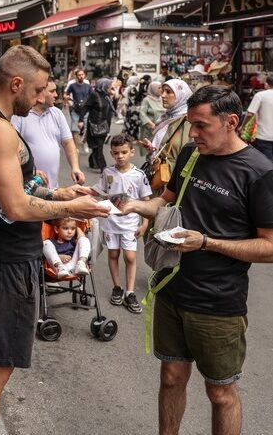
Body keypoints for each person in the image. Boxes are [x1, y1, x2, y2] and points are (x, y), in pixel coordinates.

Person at [0, 44, 109, 435]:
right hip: (6, 262)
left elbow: (20, 192)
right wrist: (71, 211)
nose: (43, 98)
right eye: (39, 90)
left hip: (3, 259)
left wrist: (59, 195)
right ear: (17, 83)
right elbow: (17, 207)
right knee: (0, 364)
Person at [117, 86, 273, 435]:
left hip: (218, 302)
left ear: (232, 122)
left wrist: (207, 242)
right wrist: (136, 206)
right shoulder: (191, 153)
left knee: (220, 393)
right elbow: (166, 201)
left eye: (202, 126)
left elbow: (270, 246)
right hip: (172, 288)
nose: (194, 134)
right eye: (191, 125)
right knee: (171, 377)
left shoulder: (259, 171)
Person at [85, 134, 151, 313]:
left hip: (130, 224)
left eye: (123, 152)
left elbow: (146, 201)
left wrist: (144, 224)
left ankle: (130, 293)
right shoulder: (107, 173)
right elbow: (97, 191)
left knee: (129, 257)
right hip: (110, 223)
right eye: (116, 153)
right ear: (111, 153)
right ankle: (117, 287)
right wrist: (81, 192)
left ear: (131, 152)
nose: (120, 156)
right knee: (113, 254)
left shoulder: (139, 175)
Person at [11, 77, 85, 188]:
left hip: (53, 187)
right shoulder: (20, 115)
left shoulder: (57, 113)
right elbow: (12, 149)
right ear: (39, 92)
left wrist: (75, 167)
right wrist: (30, 171)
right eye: (52, 91)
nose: (56, 95)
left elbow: (68, 142)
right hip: (28, 187)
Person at [139, 79, 193, 189]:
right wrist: (154, 148)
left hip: (171, 182)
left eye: (168, 92)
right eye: (162, 91)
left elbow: (185, 154)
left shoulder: (187, 121)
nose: (163, 95)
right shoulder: (167, 117)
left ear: (180, 95)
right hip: (160, 176)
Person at [84, 78, 115, 171]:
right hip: (96, 125)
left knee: (97, 146)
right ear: (104, 86)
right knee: (99, 146)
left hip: (104, 125)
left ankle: (92, 162)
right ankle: (103, 167)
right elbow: (86, 107)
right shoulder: (94, 95)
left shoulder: (106, 96)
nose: (111, 88)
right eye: (109, 87)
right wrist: (81, 120)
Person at [245, 74, 273, 161]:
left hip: (264, 137)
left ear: (266, 84)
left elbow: (250, 114)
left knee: (266, 165)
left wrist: (243, 127)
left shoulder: (260, 95)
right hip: (264, 138)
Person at [63, 68, 92, 153]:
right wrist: (68, 101)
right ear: (76, 76)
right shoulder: (72, 85)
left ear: (85, 75)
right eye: (79, 75)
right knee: (75, 129)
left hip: (86, 110)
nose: (81, 76)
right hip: (76, 109)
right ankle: (76, 147)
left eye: (82, 75)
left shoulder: (88, 86)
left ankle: (85, 142)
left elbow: (93, 96)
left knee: (86, 128)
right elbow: (66, 94)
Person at [139, 81, 166, 156]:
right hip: (150, 129)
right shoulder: (147, 100)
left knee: (159, 149)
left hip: (161, 127)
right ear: (153, 89)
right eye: (159, 88)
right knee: (150, 149)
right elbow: (142, 113)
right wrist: (151, 124)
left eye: (161, 88)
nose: (161, 90)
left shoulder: (161, 99)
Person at [123, 75, 148, 139]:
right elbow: (136, 98)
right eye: (137, 80)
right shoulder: (132, 88)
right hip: (133, 109)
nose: (138, 81)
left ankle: (129, 136)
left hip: (130, 108)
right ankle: (131, 137)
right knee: (133, 123)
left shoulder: (129, 88)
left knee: (130, 122)